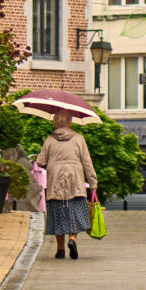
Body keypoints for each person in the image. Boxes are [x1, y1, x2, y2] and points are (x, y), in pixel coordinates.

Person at [35, 111, 98, 259]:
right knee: (74, 212)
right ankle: (73, 239)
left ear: (55, 122)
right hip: (75, 181)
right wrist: (93, 182)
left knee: (58, 214)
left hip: (55, 182)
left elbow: (40, 161)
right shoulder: (78, 139)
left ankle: (60, 249)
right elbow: (87, 162)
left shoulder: (50, 140)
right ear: (70, 122)